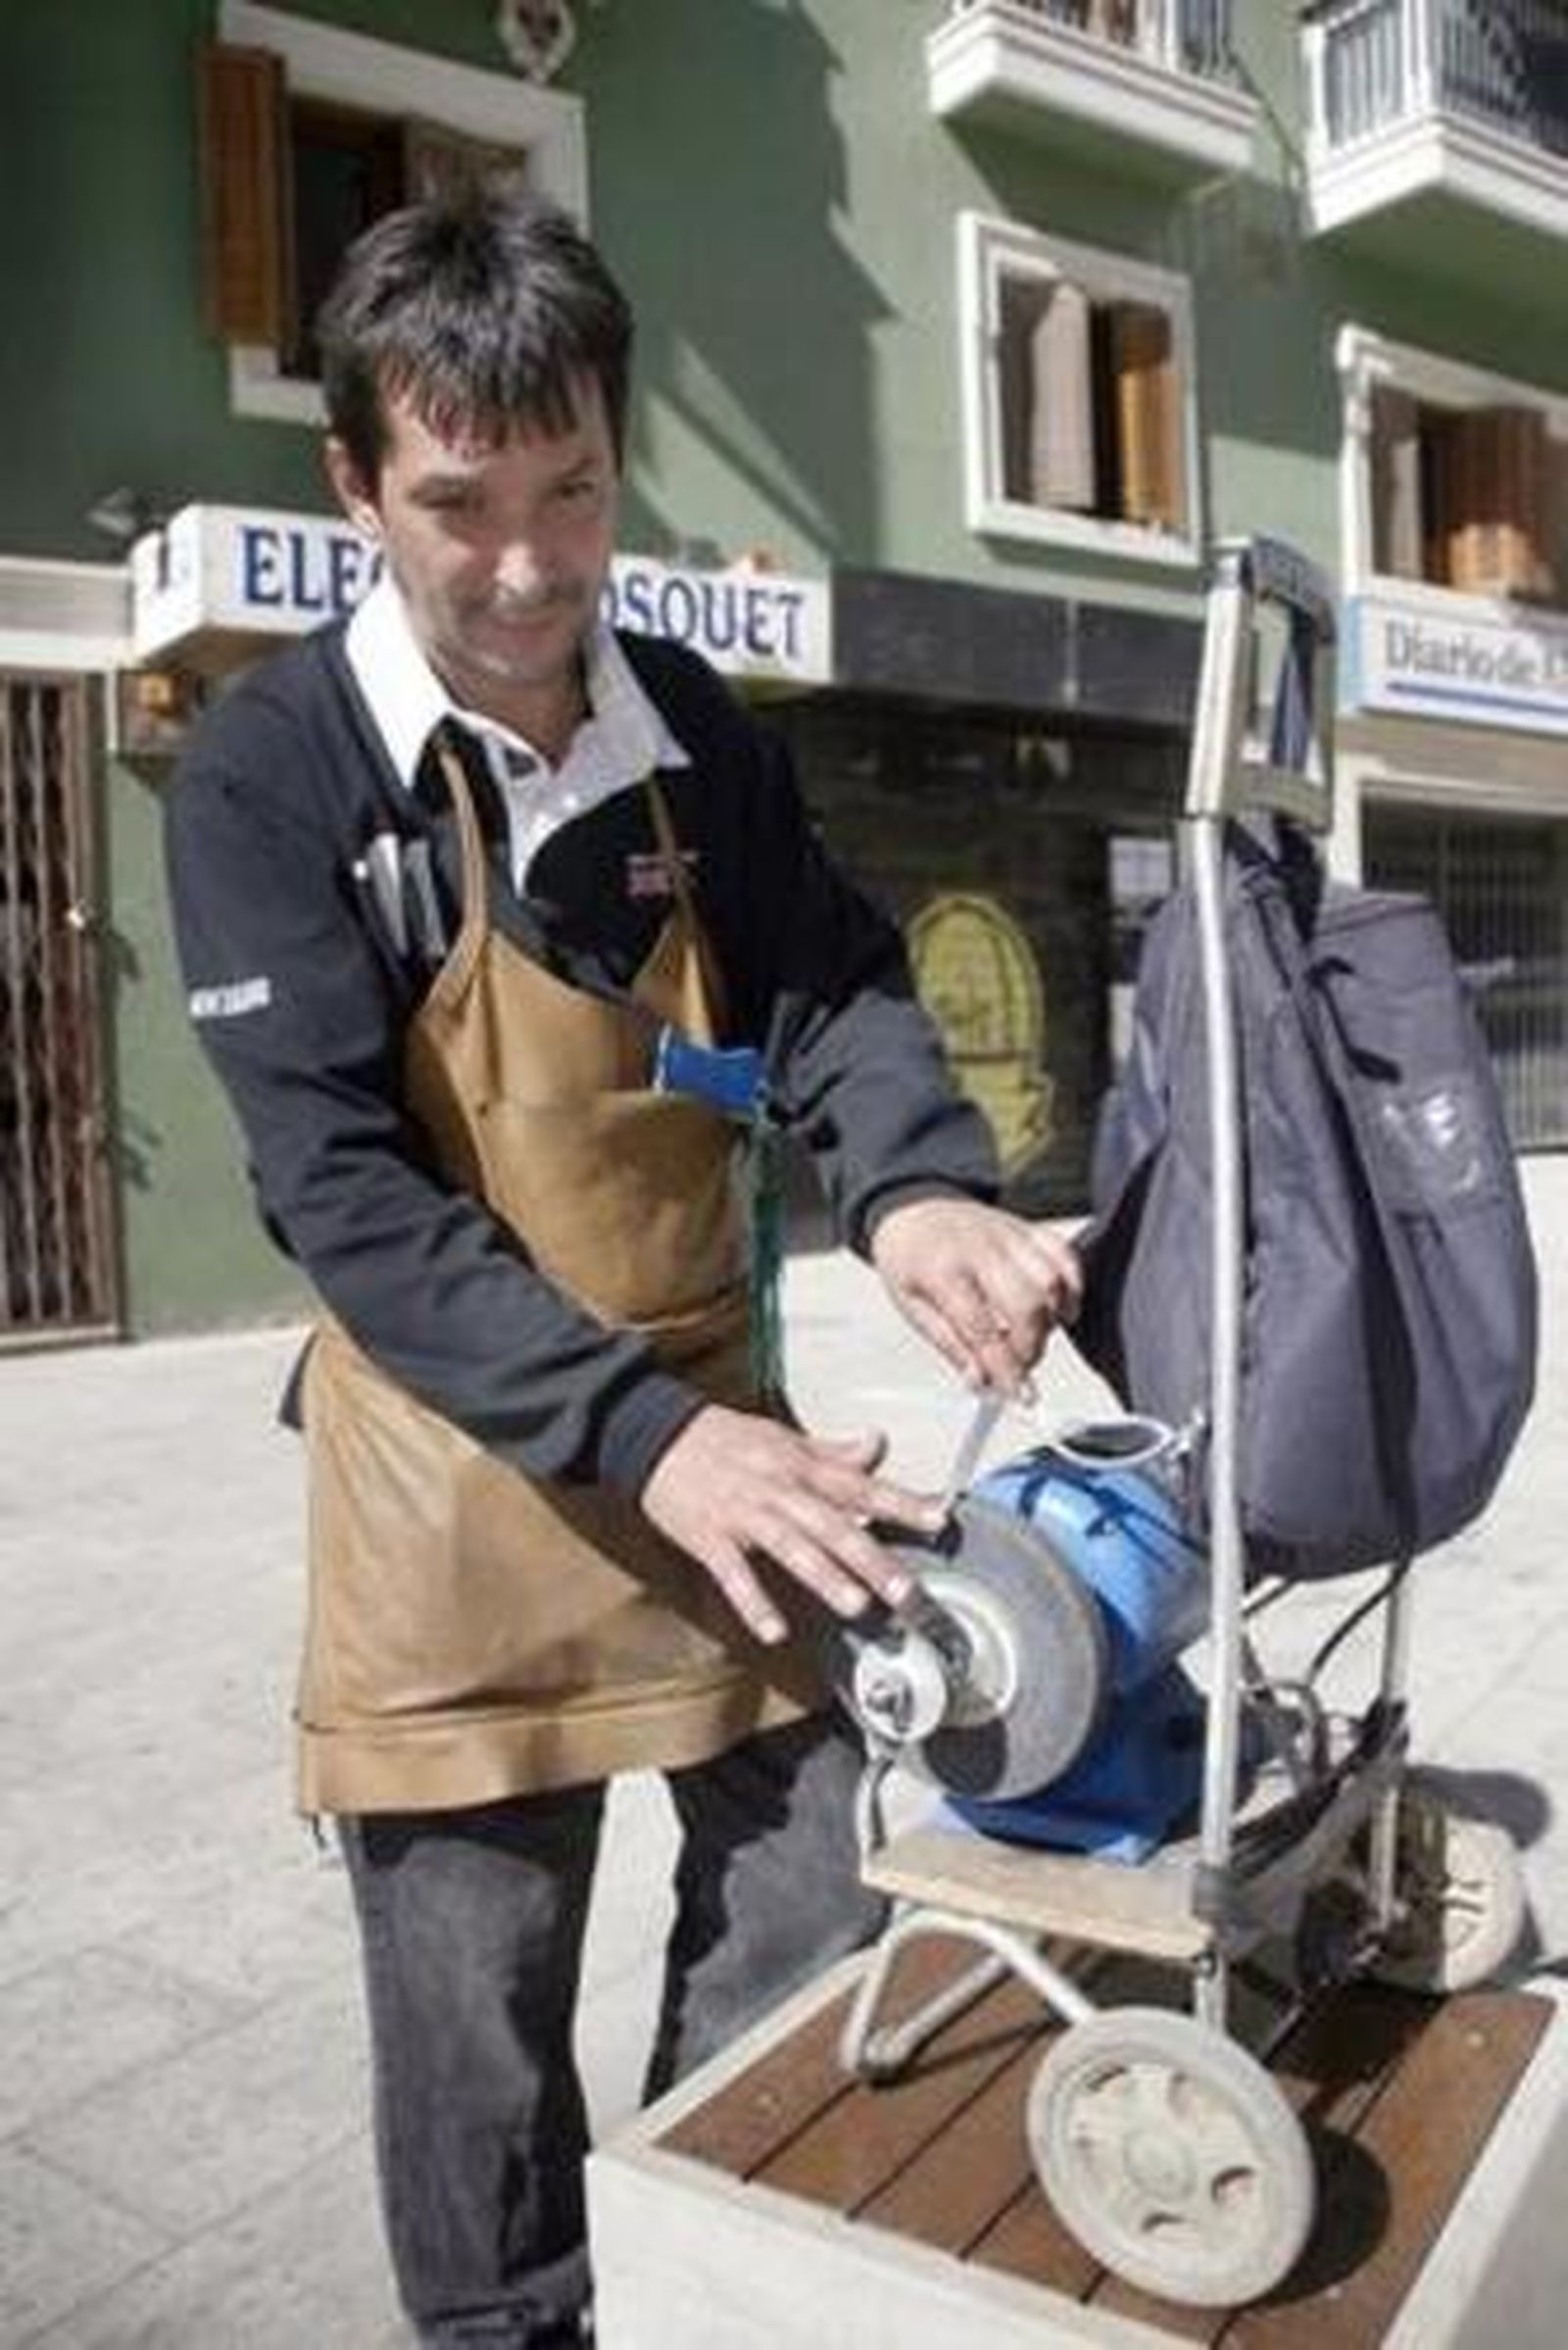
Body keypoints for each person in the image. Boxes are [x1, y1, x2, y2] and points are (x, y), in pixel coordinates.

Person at [165, 189, 1080, 2349]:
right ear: (355, 485)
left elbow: (832, 976)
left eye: (568, 490)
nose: (521, 568)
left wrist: (920, 1186)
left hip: (716, 1449)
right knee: (478, 2029)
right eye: (458, 503)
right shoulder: (273, 776)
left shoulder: (684, 724)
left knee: (802, 1884)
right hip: (457, 1488)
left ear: (614, 450)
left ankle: (717, 2263)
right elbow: (344, 1192)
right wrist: (638, 1438)